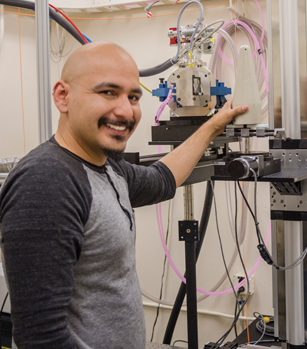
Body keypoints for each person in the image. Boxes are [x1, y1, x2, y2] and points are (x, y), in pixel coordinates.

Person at [0, 41, 248, 349]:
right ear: (62, 96)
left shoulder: (106, 166)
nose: (125, 110)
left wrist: (212, 126)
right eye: (108, 92)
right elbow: (41, 338)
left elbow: (161, 179)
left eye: (133, 97)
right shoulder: (47, 182)